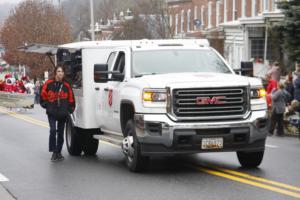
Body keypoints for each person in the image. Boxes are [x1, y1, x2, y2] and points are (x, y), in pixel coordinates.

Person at [40, 66, 75, 162]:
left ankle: (58, 152)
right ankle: (54, 152)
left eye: (62, 71)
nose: (60, 73)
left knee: (60, 134)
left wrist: (69, 110)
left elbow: (71, 99)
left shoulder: (67, 85)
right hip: (52, 112)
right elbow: (42, 95)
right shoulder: (48, 83)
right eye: (58, 71)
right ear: (55, 72)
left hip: (62, 113)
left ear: (64, 73)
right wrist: (47, 106)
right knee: (52, 131)